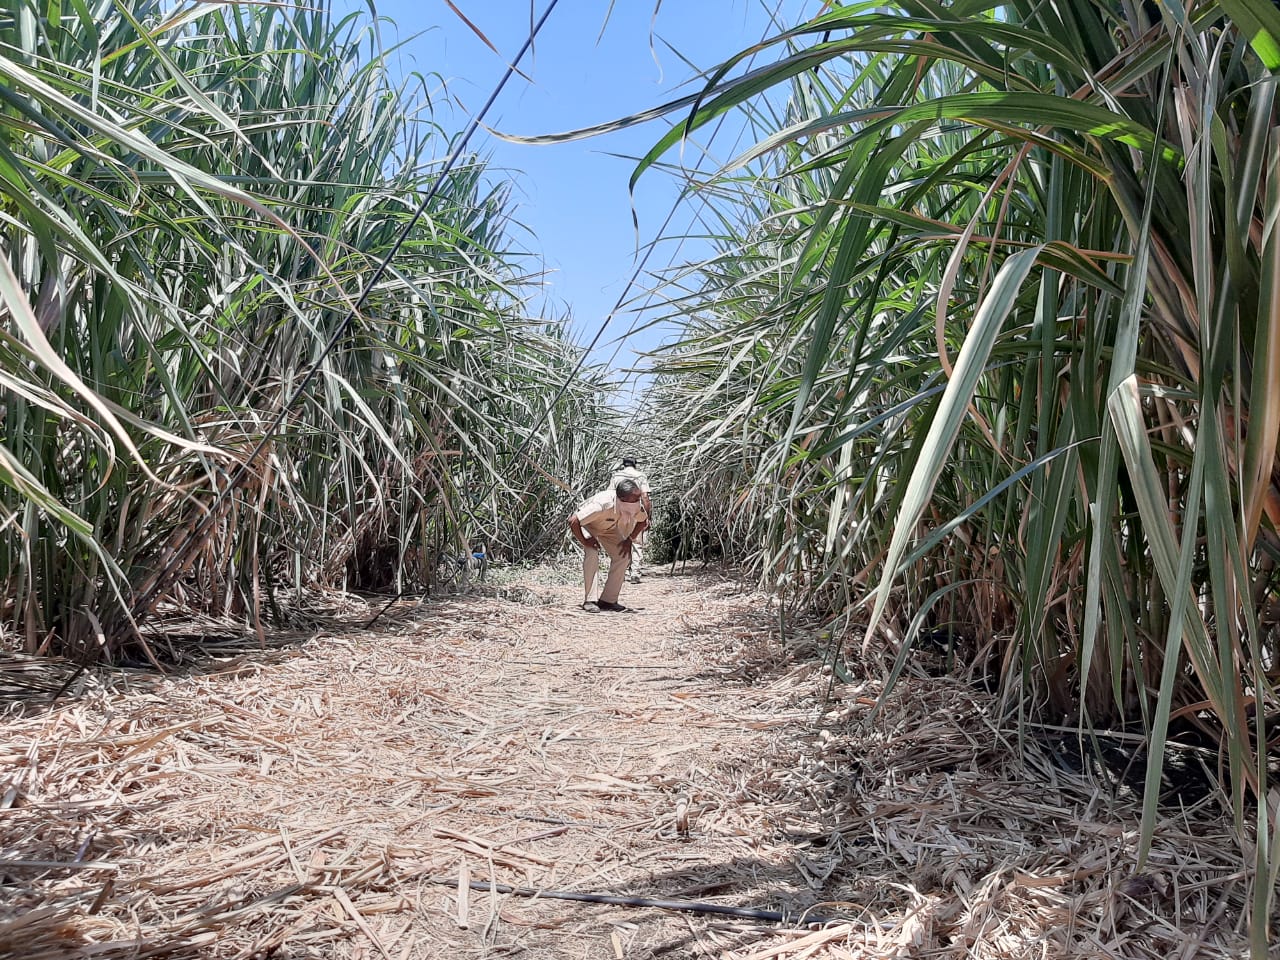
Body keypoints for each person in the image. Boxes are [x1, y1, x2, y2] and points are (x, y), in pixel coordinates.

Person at [568, 478, 648, 612]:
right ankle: (590, 600)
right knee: (592, 552)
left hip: (608, 528)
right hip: (586, 525)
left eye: (638, 499)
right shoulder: (601, 504)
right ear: (622, 499)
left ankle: (608, 601)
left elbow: (643, 521)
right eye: (634, 499)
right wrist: (585, 541)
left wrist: (629, 539)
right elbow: (574, 520)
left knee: (623, 556)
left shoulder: (634, 506)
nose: (637, 502)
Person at [609, 457, 652, 583]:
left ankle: (620, 572)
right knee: (636, 541)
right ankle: (635, 574)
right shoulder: (640, 476)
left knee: (621, 540)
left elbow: (611, 494)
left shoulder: (616, 476)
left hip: (620, 512)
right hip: (636, 510)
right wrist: (647, 516)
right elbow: (645, 496)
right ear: (635, 465)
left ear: (623, 465)